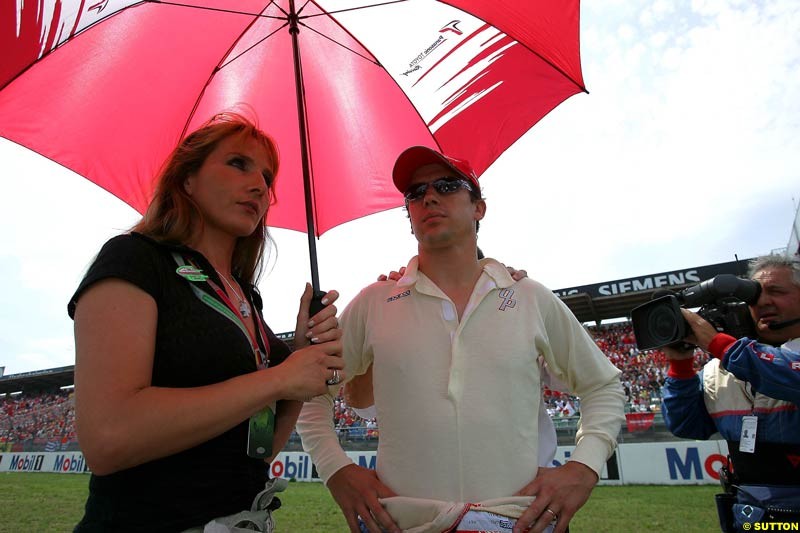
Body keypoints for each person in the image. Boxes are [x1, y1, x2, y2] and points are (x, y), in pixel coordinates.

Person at [297, 146, 625, 533]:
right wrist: (337, 471)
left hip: (520, 520)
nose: (429, 197)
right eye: (415, 194)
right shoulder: (374, 301)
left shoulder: (529, 296)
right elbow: (311, 394)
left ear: (479, 208)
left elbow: (603, 385)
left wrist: (583, 467)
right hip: (403, 523)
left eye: (447, 185)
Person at [68, 113, 344, 532]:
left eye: (267, 177)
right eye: (238, 163)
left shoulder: (247, 296)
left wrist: (303, 359)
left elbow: (259, 450)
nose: (259, 185)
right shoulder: (135, 258)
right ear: (186, 179)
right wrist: (280, 379)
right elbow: (108, 438)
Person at [661, 255, 800, 530]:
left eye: (776, 291)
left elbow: (786, 374)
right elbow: (687, 424)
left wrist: (717, 343)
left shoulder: (730, 354)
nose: (762, 302)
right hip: (750, 517)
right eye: (754, 296)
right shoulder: (719, 368)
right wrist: (680, 363)